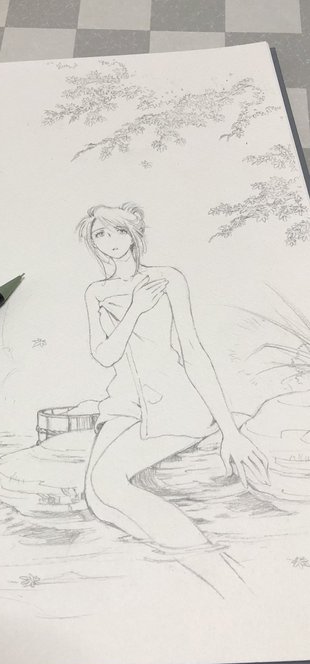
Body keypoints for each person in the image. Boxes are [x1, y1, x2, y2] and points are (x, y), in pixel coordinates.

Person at [77, 202, 270, 596]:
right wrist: (135, 309)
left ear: (134, 234)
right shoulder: (96, 292)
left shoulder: (166, 278)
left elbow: (192, 350)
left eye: (118, 231)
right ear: (92, 242)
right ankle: (187, 557)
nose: (110, 240)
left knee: (105, 484)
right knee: (97, 498)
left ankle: (215, 569)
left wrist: (230, 431)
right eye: (100, 234)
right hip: (124, 402)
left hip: (173, 399)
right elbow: (105, 355)